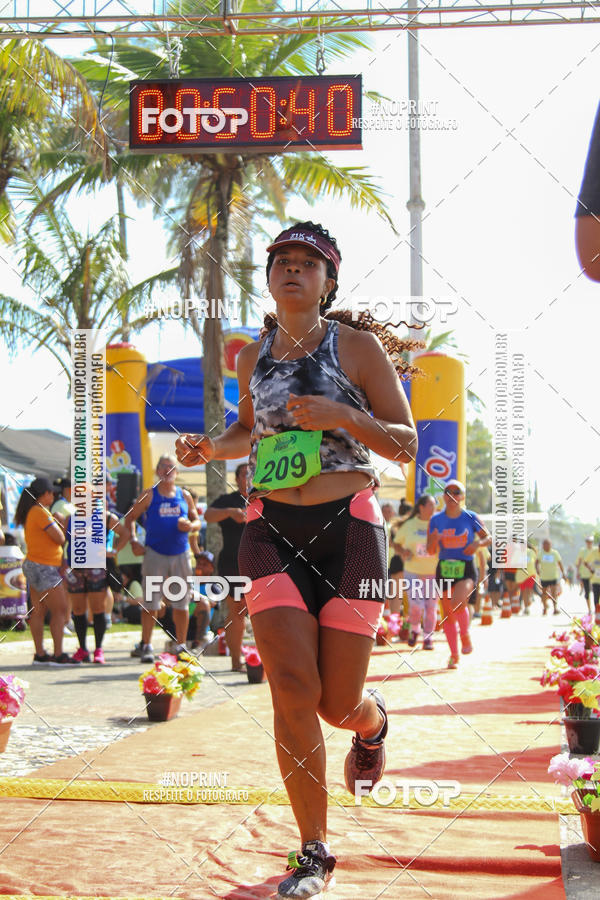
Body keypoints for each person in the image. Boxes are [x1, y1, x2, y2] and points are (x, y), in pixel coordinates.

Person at [175, 221, 419, 900]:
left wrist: (342, 413)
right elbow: (248, 431)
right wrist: (210, 450)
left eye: (307, 263)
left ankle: (373, 725)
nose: (292, 269)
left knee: (338, 703)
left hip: (351, 529)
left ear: (327, 280)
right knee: (289, 685)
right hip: (270, 527)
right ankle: (314, 849)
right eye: (281, 260)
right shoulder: (252, 358)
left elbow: (403, 442)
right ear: (270, 278)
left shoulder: (358, 348)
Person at [114, 454, 201, 663]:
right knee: (151, 603)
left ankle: (181, 646)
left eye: (171, 467)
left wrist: (190, 527)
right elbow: (130, 518)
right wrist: (134, 541)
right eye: (163, 467)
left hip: (180, 555)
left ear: (177, 472)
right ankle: (146, 645)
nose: (167, 470)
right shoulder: (149, 495)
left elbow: (197, 520)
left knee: (181, 602)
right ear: (157, 471)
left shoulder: (184, 495)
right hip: (154, 554)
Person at [15, 477, 80, 665]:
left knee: (38, 610)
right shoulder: (41, 512)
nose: (54, 495)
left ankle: (41, 653)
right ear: (45, 494)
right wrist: (63, 522)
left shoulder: (33, 511)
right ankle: (58, 654)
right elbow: (60, 538)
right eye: (52, 492)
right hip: (45, 566)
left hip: (35, 564)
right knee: (59, 609)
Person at [427, 479, 491, 669]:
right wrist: (434, 540)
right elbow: (430, 550)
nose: (452, 496)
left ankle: (465, 633)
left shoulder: (470, 517)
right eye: (448, 492)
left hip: (466, 567)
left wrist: (477, 544)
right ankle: (454, 655)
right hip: (444, 567)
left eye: (457, 492)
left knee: (457, 604)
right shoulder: (436, 519)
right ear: (444, 496)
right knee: (447, 613)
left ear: (462, 497)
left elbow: (488, 537)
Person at [204, 463, 249, 671]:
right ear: (237, 479)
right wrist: (231, 512)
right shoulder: (229, 501)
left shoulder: (266, 497)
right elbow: (208, 515)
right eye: (245, 474)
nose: (249, 476)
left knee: (264, 612)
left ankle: (264, 662)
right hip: (233, 562)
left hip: (262, 562)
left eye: (252, 472)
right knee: (237, 610)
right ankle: (236, 661)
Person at [64, 506, 123, 664]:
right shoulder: (71, 518)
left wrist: (113, 551)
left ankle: (98, 649)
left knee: (98, 608)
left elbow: (125, 534)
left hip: (97, 568)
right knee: (78, 609)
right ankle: (83, 649)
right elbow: (65, 541)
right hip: (76, 568)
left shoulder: (105, 516)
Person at [393, 493, 438, 649]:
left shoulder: (438, 523)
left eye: (435, 505)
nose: (434, 508)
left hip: (433, 572)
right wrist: (403, 552)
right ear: (421, 507)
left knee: (431, 607)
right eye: (431, 505)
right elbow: (396, 543)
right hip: (413, 571)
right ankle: (414, 630)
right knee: (416, 606)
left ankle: (428, 638)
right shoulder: (410, 524)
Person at [537, 538, 565, 615]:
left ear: (550, 545)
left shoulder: (555, 553)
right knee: (544, 593)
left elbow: (560, 563)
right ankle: (545, 607)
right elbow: (536, 562)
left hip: (553, 576)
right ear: (543, 546)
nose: (546, 546)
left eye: (548, 544)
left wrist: (563, 574)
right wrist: (537, 570)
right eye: (545, 544)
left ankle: (555, 608)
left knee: (554, 593)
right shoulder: (541, 553)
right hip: (544, 577)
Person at [515, 541, 538, 615]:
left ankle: (527, 607)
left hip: (530, 574)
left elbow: (534, 562)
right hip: (521, 575)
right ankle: (526, 606)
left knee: (528, 590)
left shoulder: (531, 552)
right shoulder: (517, 553)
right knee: (524, 591)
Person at [576, 536, 595, 613]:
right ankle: (589, 609)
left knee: (596, 591)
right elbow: (579, 561)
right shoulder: (582, 551)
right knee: (587, 592)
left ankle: (596, 607)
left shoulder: (595, 550)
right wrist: (577, 572)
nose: (589, 543)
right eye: (587, 541)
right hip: (584, 574)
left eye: (590, 541)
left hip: (595, 575)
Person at [584, 537, 600, 618]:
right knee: (596, 597)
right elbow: (585, 562)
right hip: (595, 580)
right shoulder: (593, 552)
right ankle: (597, 616)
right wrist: (591, 569)